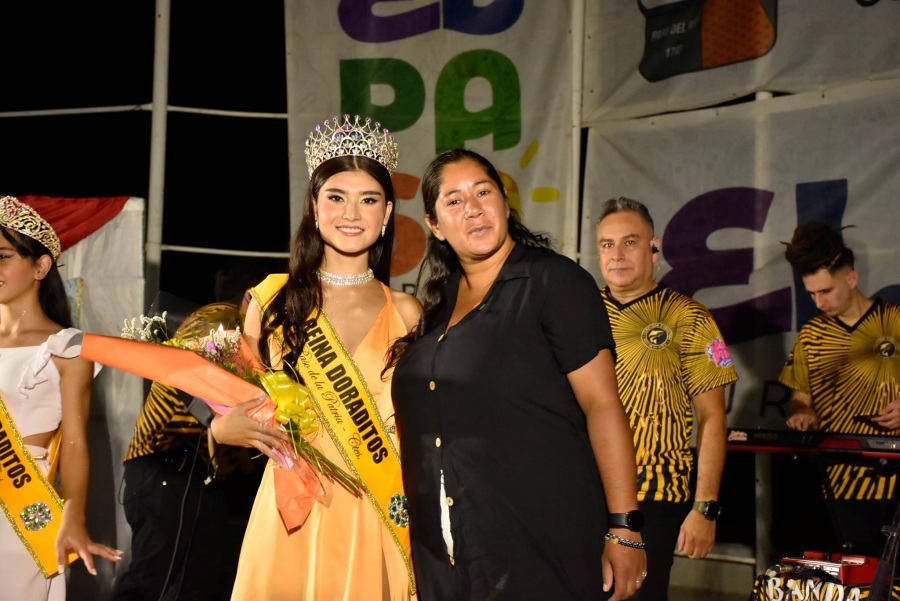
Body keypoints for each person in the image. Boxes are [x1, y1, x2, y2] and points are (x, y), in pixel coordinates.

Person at [386, 149, 647, 601]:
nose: (473, 208)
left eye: (483, 192)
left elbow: (602, 404)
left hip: (536, 539)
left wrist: (625, 527)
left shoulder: (553, 282)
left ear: (505, 204)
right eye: (454, 200)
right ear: (435, 225)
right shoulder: (442, 301)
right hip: (447, 548)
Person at [209, 115, 422, 600]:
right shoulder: (272, 301)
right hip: (293, 504)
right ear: (313, 205)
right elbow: (231, 404)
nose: (352, 213)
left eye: (368, 199)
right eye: (336, 197)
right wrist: (221, 429)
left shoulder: (407, 312)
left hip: (376, 504)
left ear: (387, 212)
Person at [594, 197, 738, 601]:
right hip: (584, 490)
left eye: (630, 242)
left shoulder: (691, 317)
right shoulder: (578, 313)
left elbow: (712, 417)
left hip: (654, 495)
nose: (617, 255)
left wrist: (705, 507)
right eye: (607, 244)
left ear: (654, 248)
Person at [112, 261, 270, 601]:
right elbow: (182, 376)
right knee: (154, 581)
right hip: (164, 465)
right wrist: (218, 423)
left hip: (193, 473)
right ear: (250, 297)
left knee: (197, 582)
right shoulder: (221, 320)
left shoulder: (233, 329)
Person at [0, 195, 122, 599]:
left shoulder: (66, 348)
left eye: (3, 257)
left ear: (40, 266)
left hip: (20, 504)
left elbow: (74, 444)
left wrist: (74, 514)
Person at [780, 221, 900, 556]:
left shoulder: (895, 321)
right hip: (839, 484)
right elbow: (798, 399)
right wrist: (802, 412)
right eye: (811, 294)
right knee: (853, 576)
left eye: (826, 291)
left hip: (895, 481)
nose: (818, 302)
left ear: (851, 278)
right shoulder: (811, 336)